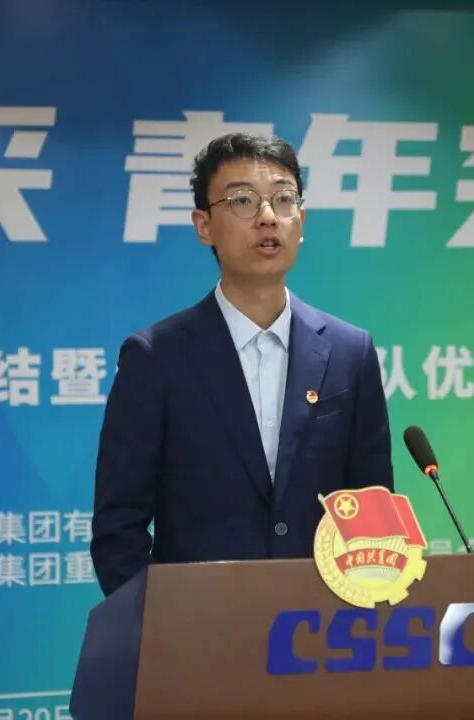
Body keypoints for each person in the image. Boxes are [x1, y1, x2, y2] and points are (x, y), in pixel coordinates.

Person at [91, 133, 393, 596]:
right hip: (200, 626)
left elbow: (373, 512)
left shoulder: (350, 353)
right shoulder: (157, 359)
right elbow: (118, 532)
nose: (268, 216)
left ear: (301, 221)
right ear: (204, 226)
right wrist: (165, 623)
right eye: (243, 201)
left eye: (283, 199)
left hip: (323, 625)